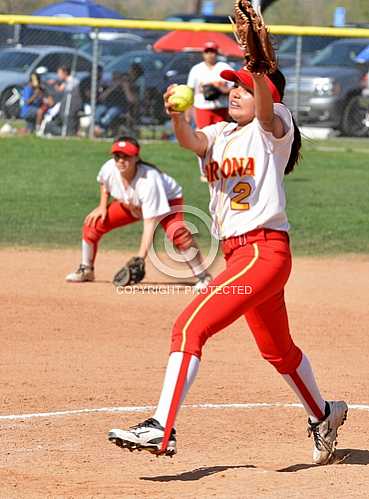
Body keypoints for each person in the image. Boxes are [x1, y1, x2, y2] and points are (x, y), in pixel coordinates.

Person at [107, 68, 348, 465]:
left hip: (263, 252)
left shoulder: (273, 127)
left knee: (189, 326)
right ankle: (324, 414)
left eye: (243, 88)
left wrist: (257, 68)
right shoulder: (221, 134)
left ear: (265, 96)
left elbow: (268, 111)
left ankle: (160, 427)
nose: (234, 93)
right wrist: (175, 116)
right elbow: (192, 140)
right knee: (277, 350)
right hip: (241, 257)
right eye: (232, 86)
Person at [65, 136, 212, 290]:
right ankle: (86, 270)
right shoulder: (109, 168)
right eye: (117, 156)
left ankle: (204, 276)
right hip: (131, 203)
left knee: (178, 233)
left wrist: (140, 257)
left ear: (136, 158)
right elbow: (104, 183)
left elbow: (150, 224)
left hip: (167, 200)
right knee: (93, 224)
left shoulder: (149, 180)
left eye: (126, 156)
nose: (120, 161)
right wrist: (102, 206)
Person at [186, 41, 233, 129]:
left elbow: (234, 87)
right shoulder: (196, 69)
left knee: (220, 136)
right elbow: (190, 91)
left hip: (221, 107)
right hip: (202, 107)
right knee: (204, 135)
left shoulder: (224, 67)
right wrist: (188, 112)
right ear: (203, 54)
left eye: (212, 52)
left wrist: (222, 89)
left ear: (217, 53)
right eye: (207, 52)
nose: (210, 54)